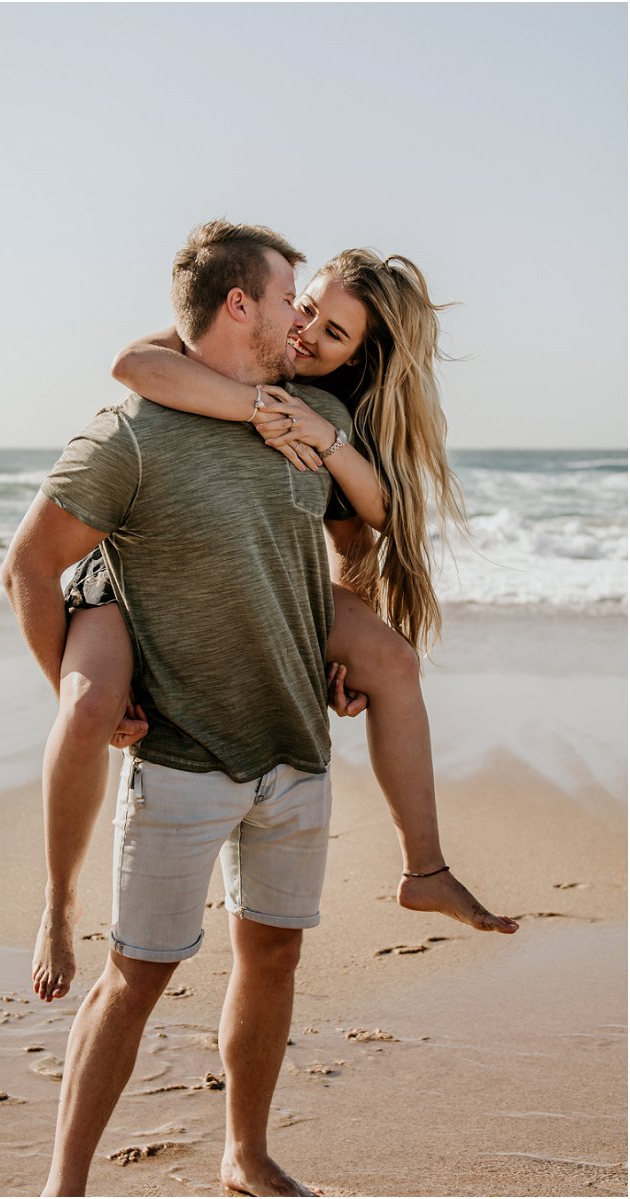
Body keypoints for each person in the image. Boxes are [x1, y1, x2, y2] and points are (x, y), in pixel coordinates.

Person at [29, 244, 518, 1007]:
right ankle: (58, 904)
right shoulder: (246, 364)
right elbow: (133, 363)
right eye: (308, 307)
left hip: (251, 576)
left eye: (332, 334)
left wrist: (318, 646)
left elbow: (367, 527)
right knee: (90, 704)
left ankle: (424, 868)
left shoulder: (325, 412)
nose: (306, 331)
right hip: (134, 572)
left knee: (389, 660)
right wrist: (254, 406)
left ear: (358, 359)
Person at [4, 219, 374, 1197]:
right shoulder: (134, 431)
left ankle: (245, 1155)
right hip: (180, 754)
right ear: (238, 301)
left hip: (296, 747)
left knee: (275, 960)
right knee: (135, 978)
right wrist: (85, 697)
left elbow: (356, 536)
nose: (302, 313)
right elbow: (30, 568)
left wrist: (348, 643)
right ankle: (64, 1184)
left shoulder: (307, 417)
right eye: (289, 293)